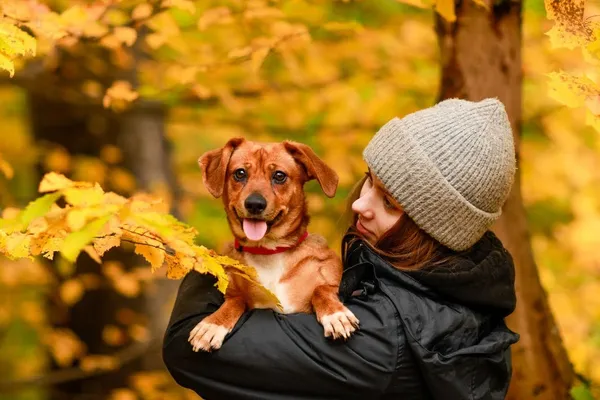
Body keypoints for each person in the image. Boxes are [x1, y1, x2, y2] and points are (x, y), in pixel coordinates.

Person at [162, 98, 520, 400]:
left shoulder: (385, 339)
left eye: (390, 204)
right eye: (369, 182)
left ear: (431, 229)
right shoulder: (443, 285)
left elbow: (186, 348)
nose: (359, 205)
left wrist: (208, 262)